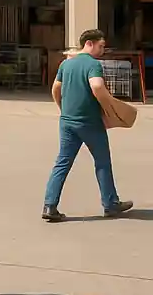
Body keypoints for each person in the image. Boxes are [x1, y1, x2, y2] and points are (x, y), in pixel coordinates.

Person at [42, 29, 133, 222]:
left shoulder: (66, 64)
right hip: (89, 122)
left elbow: (55, 88)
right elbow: (97, 86)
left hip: (67, 122)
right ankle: (110, 204)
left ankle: (49, 205)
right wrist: (110, 107)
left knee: (62, 162)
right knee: (102, 162)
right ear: (89, 43)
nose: (103, 50)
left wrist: (62, 107)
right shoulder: (93, 65)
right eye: (101, 46)